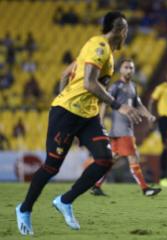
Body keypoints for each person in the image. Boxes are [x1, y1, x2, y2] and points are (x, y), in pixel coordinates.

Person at [15, 11, 142, 236]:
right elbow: (90, 83)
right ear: (121, 29)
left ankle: (65, 200)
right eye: (126, 31)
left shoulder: (105, 52)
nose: (127, 35)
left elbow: (66, 73)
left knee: (104, 159)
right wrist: (116, 105)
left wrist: (66, 93)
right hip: (66, 114)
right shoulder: (99, 46)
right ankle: (24, 209)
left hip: (87, 116)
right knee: (52, 167)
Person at [90, 59, 161, 197]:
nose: (129, 70)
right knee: (134, 157)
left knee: (113, 159)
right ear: (121, 70)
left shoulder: (133, 86)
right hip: (122, 129)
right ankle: (145, 189)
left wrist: (149, 115)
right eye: (126, 67)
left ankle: (96, 185)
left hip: (125, 129)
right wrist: (101, 121)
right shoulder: (116, 86)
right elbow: (105, 102)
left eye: (131, 68)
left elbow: (138, 104)